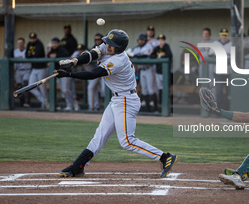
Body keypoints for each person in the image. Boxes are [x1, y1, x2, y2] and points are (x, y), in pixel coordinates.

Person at [55, 29, 177, 178]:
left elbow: (93, 74)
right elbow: (93, 54)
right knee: (99, 136)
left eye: (111, 44)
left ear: (118, 48)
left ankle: (165, 157)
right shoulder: (108, 48)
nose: (107, 45)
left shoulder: (119, 60)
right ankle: (77, 166)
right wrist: (74, 61)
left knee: (127, 141)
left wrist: (69, 74)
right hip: (117, 100)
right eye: (107, 42)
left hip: (126, 101)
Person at [133, 33, 157, 112]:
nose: (140, 41)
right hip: (141, 70)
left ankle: (155, 108)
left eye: (142, 40)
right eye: (139, 40)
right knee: (144, 90)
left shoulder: (148, 46)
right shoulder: (136, 48)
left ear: (145, 40)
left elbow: (145, 56)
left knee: (151, 89)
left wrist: (136, 56)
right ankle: (147, 108)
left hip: (148, 69)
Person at [48, 37, 73, 111]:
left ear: (59, 43)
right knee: (64, 90)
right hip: (59, 73)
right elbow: (48, 55)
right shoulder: (52, 50)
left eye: (55, 43)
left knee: (66, 90)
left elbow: (66, 55)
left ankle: (74, 103)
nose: (54, 45)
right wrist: (50, 56)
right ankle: (69, 105)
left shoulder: (62, 49)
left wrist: (56, 56)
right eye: (53, 43)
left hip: (66, 72)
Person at [26, 32, 49, 109]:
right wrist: (32, 54)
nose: (32, 40)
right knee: (30, 86)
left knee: (42, 87)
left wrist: (31, 54)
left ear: (36, 38)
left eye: (33, 38)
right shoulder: (29, 44)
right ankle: (44, 101)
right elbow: (26, 55)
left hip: (42, 68)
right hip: (34, 68)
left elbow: (38, 54)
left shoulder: (39, 43)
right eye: (31, 38)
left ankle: (44, 104)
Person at [212, 28, 231, 110]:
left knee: (229, 92)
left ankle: (227, 109)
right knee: (219, 92)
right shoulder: (215, 43)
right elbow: (211, 56)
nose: (224, 36)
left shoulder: (231, 44)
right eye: (222, 34)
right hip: (218, 72)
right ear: (220, 35)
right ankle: (219, 110)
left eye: (225, 35)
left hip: (229, 72)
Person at [150, 34, 172, 104]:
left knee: (166, 88)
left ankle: (166, 103)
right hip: (158, 72)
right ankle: (161, 103)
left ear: (165, 41)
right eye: (159, 40)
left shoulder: (166, 47)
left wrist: (162, 56)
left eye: (162, 40)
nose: (161, 42)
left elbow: (169, 55)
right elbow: (151, 56)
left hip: (165, 72)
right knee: (159, 88)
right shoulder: (156, 48)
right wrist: (157, 55)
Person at [13, 37, 31, 108]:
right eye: (18, 43)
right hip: (18, 70)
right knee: (19, 86)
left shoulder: (27, 51)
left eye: (21, 42)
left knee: (25, 85)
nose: (20, 44)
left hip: (26, 70)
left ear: (24, 43)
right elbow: (14, 63)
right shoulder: (15, 51)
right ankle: (21, 102)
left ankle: (27, 102)